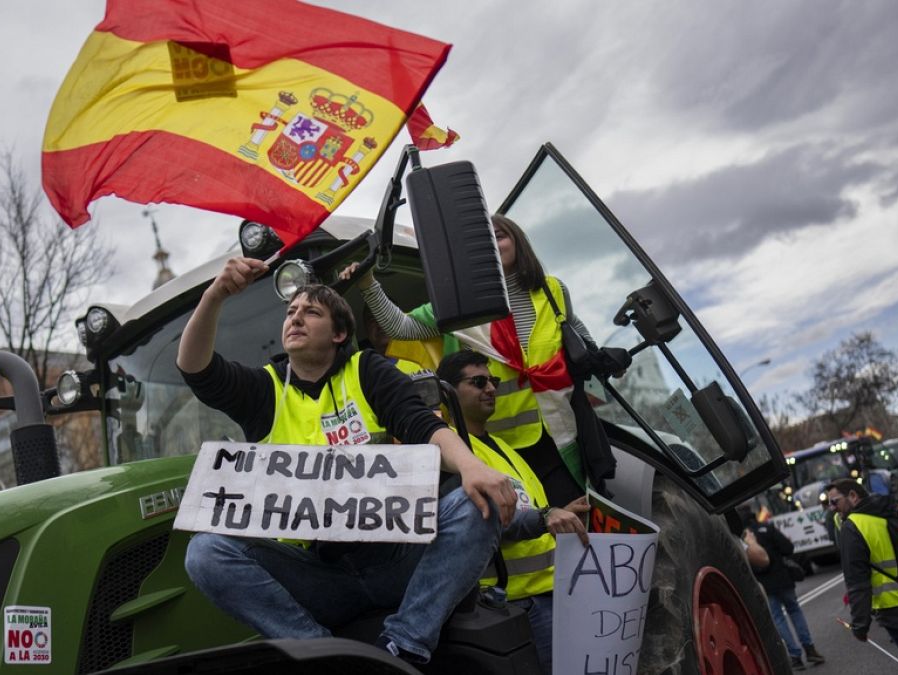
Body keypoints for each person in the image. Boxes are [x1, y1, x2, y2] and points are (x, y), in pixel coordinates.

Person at [177, 256, 519, 664]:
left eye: (312, 312)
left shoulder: (367, 369)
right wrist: (215, 295)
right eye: (290, 313)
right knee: (204, 553)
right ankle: (322, 655)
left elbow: (420, 425)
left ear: (340, 333)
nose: (296, 319)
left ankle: (404, 646)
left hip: (396, 559)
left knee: (472, 502)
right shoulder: (264, 388)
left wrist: (471, 466)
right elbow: (196, 370)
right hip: (319, 574)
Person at [342, 214, 596, 510]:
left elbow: (573, 328)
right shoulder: (458, 301)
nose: (491, 243)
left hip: (562, 434)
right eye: (481, 241)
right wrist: (368, 283)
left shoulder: (552, 290)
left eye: (499, 235)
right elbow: (401, 328)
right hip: (497, 446)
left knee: (578, 522)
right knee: (533, 529)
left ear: (518, 242)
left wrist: (596, 357)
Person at [436, 349, 589, 674]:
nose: (490, 388)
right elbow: (473, 521)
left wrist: (558, 513)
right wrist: (545, 519)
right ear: (446, 391)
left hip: (548, 593)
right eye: (478, 382)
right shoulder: (450, 454)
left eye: (492, 381)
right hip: (512, 603)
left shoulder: (503, 449)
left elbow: (525, 509)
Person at [825, 477, 898, 657]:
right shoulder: (894, 509)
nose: (831, 507)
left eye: (834, 501)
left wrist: (860, 625)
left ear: (852, 496)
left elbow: (857, 582)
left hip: (895, 606)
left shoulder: (853, 526)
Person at [740, 508, 825, 669]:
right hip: (783, 579)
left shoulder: (742, 538)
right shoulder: (768, 529)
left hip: (765, 585)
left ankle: (795, 656)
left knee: (778, 618)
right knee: (794, 610)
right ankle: (810, 649)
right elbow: (788, 548)